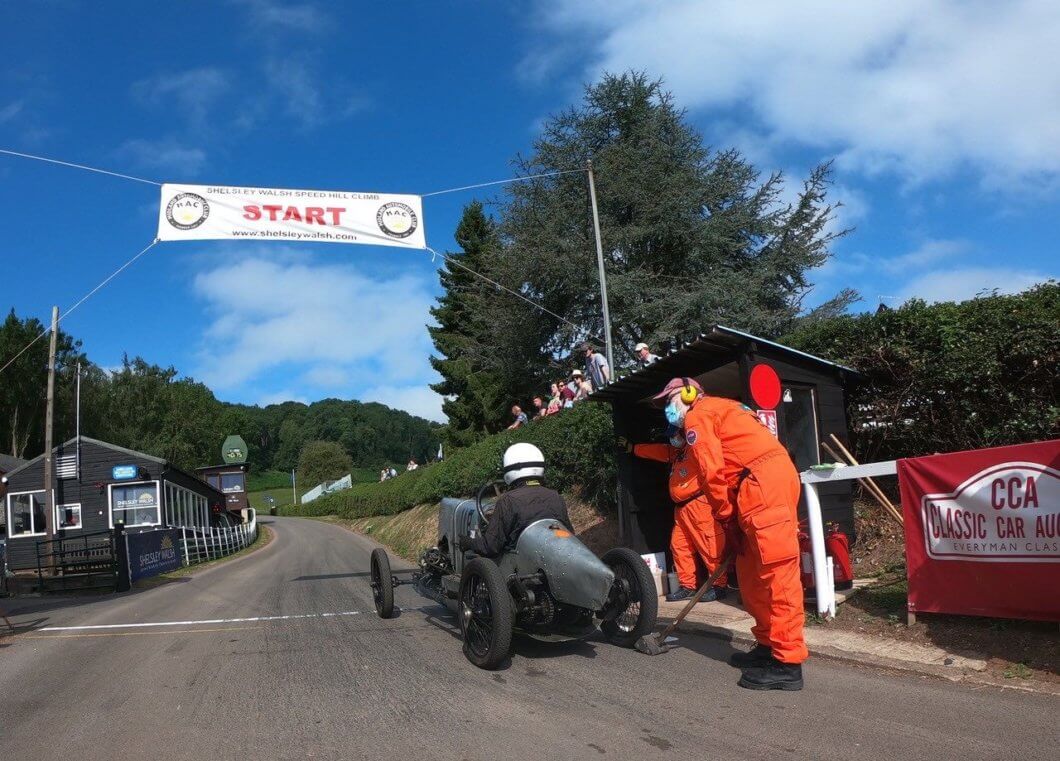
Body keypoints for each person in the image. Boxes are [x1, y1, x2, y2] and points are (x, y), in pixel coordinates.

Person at [654, 376, 806, 691]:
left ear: (688, 393)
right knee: (751, 575)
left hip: (763, 485)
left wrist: (723, 517)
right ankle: (767, 646)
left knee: (777, 575)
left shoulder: (700, 415)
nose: (667, 409)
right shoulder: (721, 410)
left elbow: (711, 471)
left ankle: (787, 662)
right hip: (753, 488)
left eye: (669, 401)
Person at [621, 419, 728, 603]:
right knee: (679, 546)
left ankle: (719, 585)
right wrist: (633, 448)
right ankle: (688, 586)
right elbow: (658, 451)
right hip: (682, 508)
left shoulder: (696, 449)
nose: (672, 439)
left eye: (674, 435)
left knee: (709, 545)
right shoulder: (677, 452)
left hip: (699, 504)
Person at [459, 443, 572, 557]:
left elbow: (490, 547)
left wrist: (468, 542)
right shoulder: (556, 496)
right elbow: (569, 534)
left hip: (521, 565)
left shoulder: (508, 501)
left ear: (510, 469)